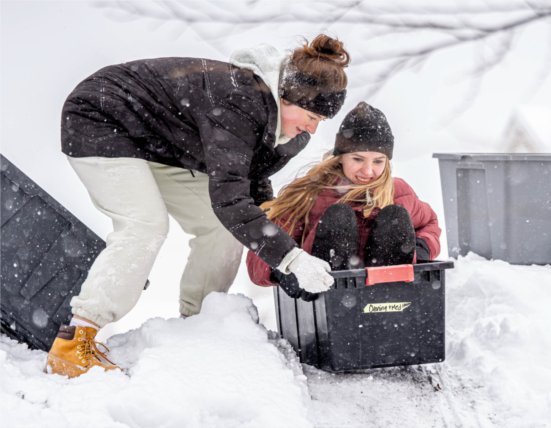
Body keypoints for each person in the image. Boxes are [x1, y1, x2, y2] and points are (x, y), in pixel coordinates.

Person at [46, 34, 350, 377]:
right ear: (287, 96)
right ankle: (74, 343)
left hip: (157, 144)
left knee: (221, 229)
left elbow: (249, 183)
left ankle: (199, 326)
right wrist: (290, 257)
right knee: (145, 226)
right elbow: (230, 198)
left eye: (320, 121)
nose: (312, 127)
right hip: (101, 117)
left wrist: (279, 244)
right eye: (311, 115)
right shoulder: (241, 100)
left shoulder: (284, 128)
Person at [246, 102, 441, 300]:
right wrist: (287, 271)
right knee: (339, 217)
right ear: (340, 157)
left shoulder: (398, 192)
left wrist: (421, 249)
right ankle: (341, 298)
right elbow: (261, 250)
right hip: (331, 300)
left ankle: (388, 300)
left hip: (388, 302)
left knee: (395, 216)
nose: (368, 171)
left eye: (378, 161)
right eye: (358, 159)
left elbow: (430, 223)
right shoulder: (312, 194)